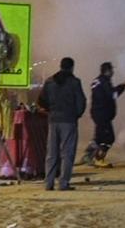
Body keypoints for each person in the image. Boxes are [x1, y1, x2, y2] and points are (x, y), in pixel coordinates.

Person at [38, 57, 86, 191]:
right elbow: (81, 102)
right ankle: (64, 183)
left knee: (51, 153)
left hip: (53, 120)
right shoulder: (75, 82)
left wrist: (50, 110)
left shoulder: (49, 81)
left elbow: (41, 101)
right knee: (67, 153)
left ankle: (49, 183)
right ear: (71, 67)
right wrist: (76, 115)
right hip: (69, 121)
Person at [80, 62, 125, 167]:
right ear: (107, 71)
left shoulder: (98, 81)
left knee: (99, 137)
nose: (113, 72)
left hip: (98, 113)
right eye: (112, 70)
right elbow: (113, 94)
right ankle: (98, 159)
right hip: (102, 114)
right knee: (108, 138)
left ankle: (88, 155)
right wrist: (123, 86)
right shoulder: (104, 81)